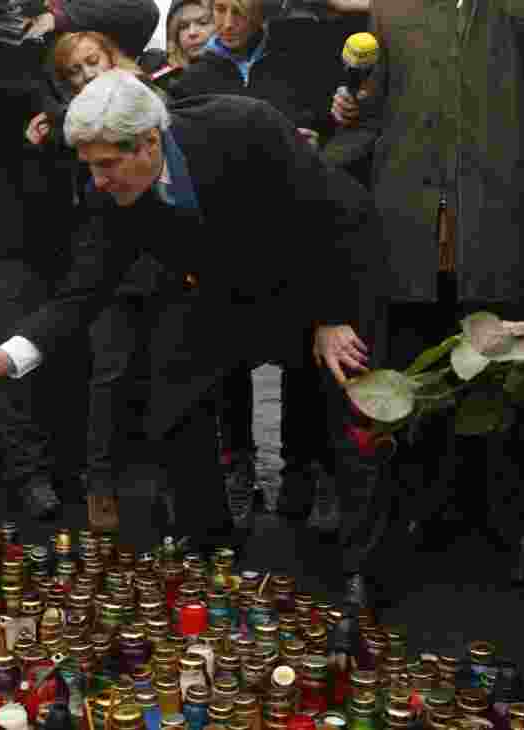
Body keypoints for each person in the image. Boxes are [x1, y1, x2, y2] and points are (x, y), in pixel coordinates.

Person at [0, 70, 379, 564]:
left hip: (326, 269)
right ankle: (208, 549)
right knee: (175, 397)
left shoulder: (243, 125)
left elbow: (323, 212)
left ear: (150, 143)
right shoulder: (110, 193)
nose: (97, 181)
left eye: (107, 164)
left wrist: (330, 317)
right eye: (89, 166)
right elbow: (78, 299)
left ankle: (361, 565)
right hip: (223, 289)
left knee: (353, 402)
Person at [331, 0, 524, 587]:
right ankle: (418, 519)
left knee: (508, 379)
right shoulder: (393, 6)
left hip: (499, 221)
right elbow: (376, 111)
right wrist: (350, 110)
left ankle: (516, 528)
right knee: (416, 377)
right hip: (409, 225)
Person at [0, 0, 160, 520]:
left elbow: (140, 14)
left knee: (72, 358)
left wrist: (54, 18)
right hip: (10, 232)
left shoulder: (61, 28)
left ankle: (73, 469)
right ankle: (28, 474)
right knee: (15, 356)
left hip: (76, 232)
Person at [169, 0, 347, 533]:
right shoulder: (194, 76)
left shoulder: (297, 59)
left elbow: (326, 123)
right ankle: (238, 468)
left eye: (239, 12)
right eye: (218, 10)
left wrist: (316, 138)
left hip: (292, 233)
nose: (226, 24)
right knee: (228, 366)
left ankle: (300, 470)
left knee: (302, 360)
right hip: (228, 237)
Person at [25, 31, 170, 533]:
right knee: (109, 375)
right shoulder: (69, 126)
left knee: (167, 370)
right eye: (74, 70)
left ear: (111, 57)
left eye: (93, 62)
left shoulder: (145, 100)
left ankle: (169, 481)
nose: (87, 74)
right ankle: (100, 482)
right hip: (105, 264)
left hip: (162, 257)